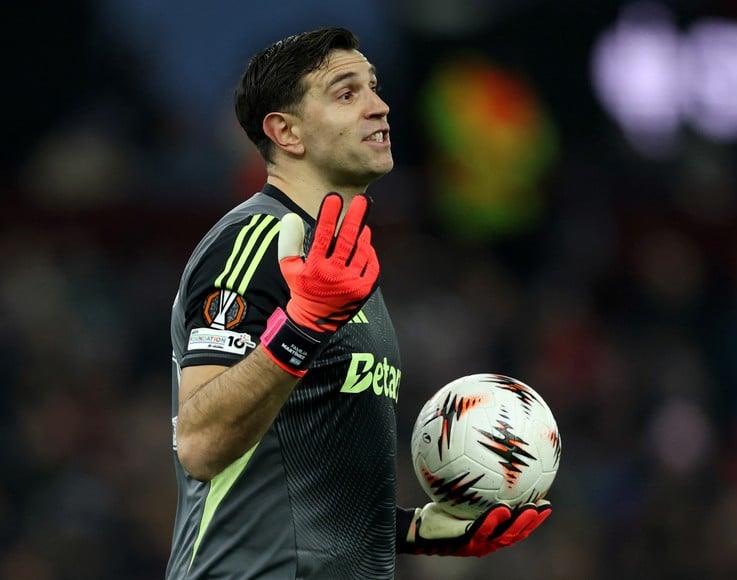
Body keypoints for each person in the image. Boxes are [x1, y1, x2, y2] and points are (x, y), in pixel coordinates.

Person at [166, 26, 551, 579]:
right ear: (286, 132)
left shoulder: (341, 268)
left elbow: (299, 488)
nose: (380, 107)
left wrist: (412, 530)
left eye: (374, 88)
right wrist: (303, 324)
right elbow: (199, 443)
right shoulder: (254, 240)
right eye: (347, 93)